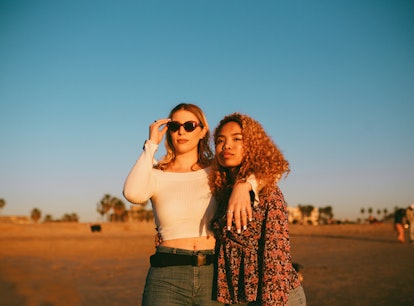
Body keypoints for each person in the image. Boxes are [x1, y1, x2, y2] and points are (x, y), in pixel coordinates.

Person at [123, 103, 256, 306]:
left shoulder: (219, 170)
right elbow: (133, 193)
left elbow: (270, 170)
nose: (181, 131)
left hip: (215, 274)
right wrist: (151, 145)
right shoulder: (157, 174)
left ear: (203, 131)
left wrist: (244, 185)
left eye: (189, 125)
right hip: (167, 275)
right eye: (175, 126)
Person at [209, 113, 306, 306]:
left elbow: (276, 255)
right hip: (243, 298)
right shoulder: (223, 190)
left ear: (253, 144)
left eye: (237, 139)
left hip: (274, 297)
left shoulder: (267, 192)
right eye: (220, 140)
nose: (227, 145)